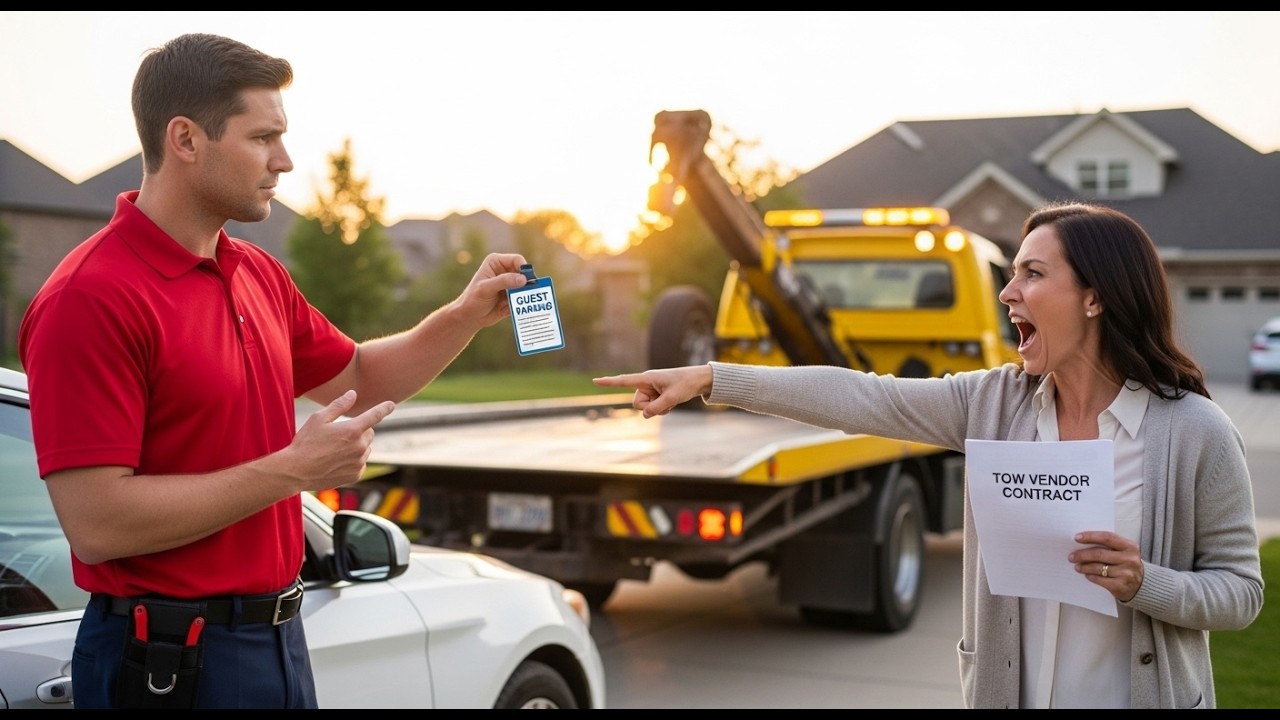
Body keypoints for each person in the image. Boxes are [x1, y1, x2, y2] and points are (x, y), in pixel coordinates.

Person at [17, 33, 532, 709]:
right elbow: (99, 523)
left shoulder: (256, 271)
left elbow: (360, 377)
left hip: (277, 643)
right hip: (166, 665)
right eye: (263, 138)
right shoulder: (90, 297)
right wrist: (296, 468)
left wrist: (462, 315)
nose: (285, 162)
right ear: (185, 138)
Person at [594, 201, 1263, 709]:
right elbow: (861, 397)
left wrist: (1145, 582)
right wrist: (715, 378)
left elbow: (1241, 595)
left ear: (1095, 297)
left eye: (1032, 274)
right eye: (1011, 275)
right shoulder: (994, 403)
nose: (1007, 293)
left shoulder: (1194, 431)